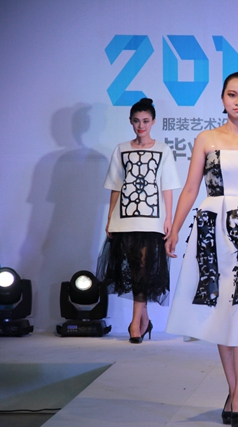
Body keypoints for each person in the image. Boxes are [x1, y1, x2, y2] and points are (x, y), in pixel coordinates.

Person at [165, 71, 238, 427]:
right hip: (213, 229)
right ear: (222, 98)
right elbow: (191, 189)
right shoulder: (206, 138)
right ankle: (234, 391)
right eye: (232, 94)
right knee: (223, 309)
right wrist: (174, 228)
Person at [97, 97, 181, 344]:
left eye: (145, 121)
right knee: (134, 269)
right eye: (136, 121)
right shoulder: (121, 149)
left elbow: (167, 187)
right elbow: (116, 185)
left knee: (144, 269)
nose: (141, 126)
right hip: (124, 218)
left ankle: (135, 323)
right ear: (130, 122)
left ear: (153, 122)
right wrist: (110, 217)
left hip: (152, 220)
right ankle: (144, 320)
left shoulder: (163, 150)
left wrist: (169, 218)